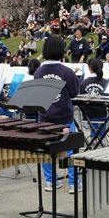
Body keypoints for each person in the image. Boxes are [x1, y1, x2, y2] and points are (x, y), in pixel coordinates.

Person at [34, 35, 79, 193]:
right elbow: (74, 93)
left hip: (45, 118)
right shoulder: (66, 72)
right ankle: (74, 183)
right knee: (71, 150)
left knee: (47, 150)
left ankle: (50, 181)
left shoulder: (38, 72)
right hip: (65, 118)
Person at [79, 58, 109, 144]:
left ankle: (94, 138)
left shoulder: (84, 82)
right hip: (102, 113)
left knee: (93, 120)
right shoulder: (106, 82)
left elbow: (80, 98)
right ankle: (101, 138)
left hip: (88, 115)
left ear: (89, 68)